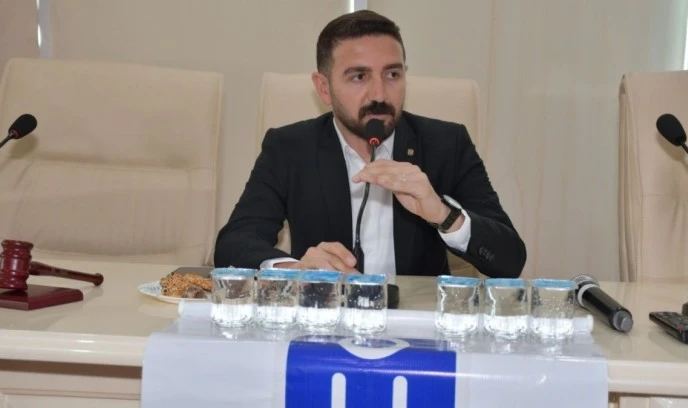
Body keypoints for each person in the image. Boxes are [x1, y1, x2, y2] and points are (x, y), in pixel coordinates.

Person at [215, 10, 526, 278]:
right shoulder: (290, 147)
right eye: (359, 77)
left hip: (415, 319)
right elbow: (234, 242)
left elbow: (511, 260)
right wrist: (295, 269)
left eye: (392, 74)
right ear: (324, 88)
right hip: (327, 315)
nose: (379, 94)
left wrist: (444, 215)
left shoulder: (447, 144)